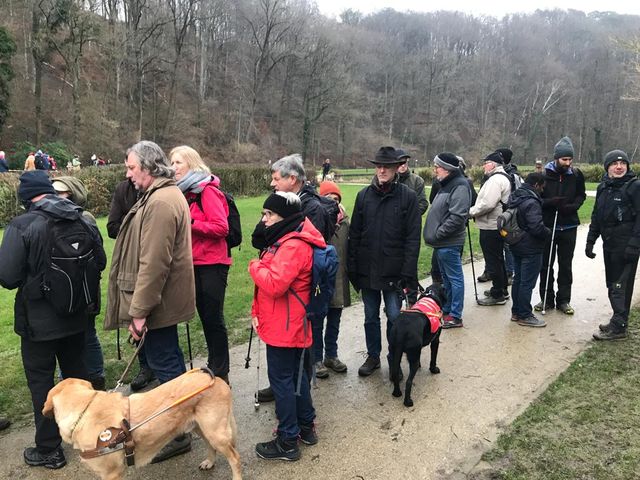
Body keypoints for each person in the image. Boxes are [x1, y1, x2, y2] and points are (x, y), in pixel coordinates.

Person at [0, 170, 106, 470]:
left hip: (39, 322)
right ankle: (92, 433)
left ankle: (49, 449)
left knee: (41, 383)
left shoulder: (23, 224)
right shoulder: (80, 217)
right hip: (77, 316)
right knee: (78, 375)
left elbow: (6, 276)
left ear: (25, 197)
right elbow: (100, 261)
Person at [104, 140, 195, 462]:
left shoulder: (160, 202)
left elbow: (155, 263)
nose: (127, 174)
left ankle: (179, 432)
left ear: (148, 166)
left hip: (159, 304)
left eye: (131, 167)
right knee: (167, 361)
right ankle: (179, 426)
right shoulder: (161, 195)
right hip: (162, 301)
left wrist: (139, 312)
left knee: (166, 365)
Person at [250, 191, 324, 461]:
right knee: (296, 377)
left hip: (285, 325)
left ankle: (288, 440)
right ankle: (306, 427)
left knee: (282, 381)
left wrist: (254, 266)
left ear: (284, 216)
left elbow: (275, 284)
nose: (264, 219)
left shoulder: (292, 245)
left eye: (269, 214)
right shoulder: (289, 239)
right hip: (289, 322)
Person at [256, 153, 337, 402]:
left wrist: (261, 265)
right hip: (285, 295)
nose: (272, 183)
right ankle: (287, 391)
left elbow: (304, 256)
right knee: (285, 362)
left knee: (296, 356)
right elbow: (259, 238)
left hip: (299, 297)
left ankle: (295, 403)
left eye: (276, 178)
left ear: (293, 179)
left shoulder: (310, 207)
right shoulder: (280, 203)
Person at [348, 146, 421, 377]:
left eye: (386, 166)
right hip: (368, 270)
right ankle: (373, 355)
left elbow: (412, 239)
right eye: (378, 166)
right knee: (370, 316)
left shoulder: (408, 197)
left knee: (394, 316)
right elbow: (355, 236)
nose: (381, 170)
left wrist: (407, 273)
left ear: (396, 168)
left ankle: (394, 356)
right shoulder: (364, 196)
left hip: (394, 271)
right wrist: (354, 269)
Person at [170, 145, 232, 382]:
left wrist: (191, 221)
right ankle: (215, 364)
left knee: (213, 317)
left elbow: (221, 227)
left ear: (191, 164)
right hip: (193, 262)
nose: (173, 167)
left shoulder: (207, 191)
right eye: (172, 163)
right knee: (205, 316)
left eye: (178, 163)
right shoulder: (183, 192)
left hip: (213, 263)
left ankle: (221, 370)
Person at [52, 176, 106, 390]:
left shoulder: (85, 219)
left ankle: (95, 375)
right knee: (66, 336)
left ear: (72, 194)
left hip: (85, 286)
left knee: (88, 333)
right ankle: (69, 378)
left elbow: (98, 256)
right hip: (63, 289)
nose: (56, 197)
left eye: (61, 192)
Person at [106, 177, 155, 391]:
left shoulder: (157, 191)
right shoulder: (123, 189)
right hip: (129, 258)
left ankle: (159, 367)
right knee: (134, 312)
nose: (129, 173)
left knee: (153, 311)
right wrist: (133, 227)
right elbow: (111, 226)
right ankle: (145, 365)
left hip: (149, 254)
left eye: (132, 167)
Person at [587, 150, 640, 340]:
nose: (619, 167)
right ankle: (618, 319)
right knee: (611, 284)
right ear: (607, 167)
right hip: (609, 244)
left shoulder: (634, 187)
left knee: (620, 286)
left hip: (626, 246)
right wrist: (590, 241)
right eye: (614, 164)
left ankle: (619, 328)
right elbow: (596, 216)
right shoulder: (604, 187)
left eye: (623, 164)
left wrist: (634, 245)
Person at [535, 136, 586, 314]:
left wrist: (572, 207)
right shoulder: (544, 175)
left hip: (569, 225)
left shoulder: (576, 175)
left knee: (566, 265)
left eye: (570, 159)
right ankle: (546, 299)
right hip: (548, 226)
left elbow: (581, 196)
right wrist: (550, 202)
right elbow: (536, 199)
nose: (568, 163)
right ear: (556, 158)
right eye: (564, 159)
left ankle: (564, 300)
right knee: (546, 264)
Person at [424, 153, 472, 328]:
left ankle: (455, 315)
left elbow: (457, 217)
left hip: (449, 243)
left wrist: (438, 233)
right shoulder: (447, 184)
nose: (434, 169)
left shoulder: (459, 185)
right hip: (442, 243)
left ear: (447, 169)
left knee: (455, 278)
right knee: (447, 278)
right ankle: (447, 308)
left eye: (437, 167)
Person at [314, 181, 351, 378]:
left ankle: (331, 355)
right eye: (328, 199)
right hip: (320, 279)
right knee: (317, 321)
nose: (333, 203)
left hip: (339, 278)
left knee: (335, 320)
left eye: (336, 199)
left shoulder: (344, 221)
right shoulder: (315, 220)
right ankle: (316, 359)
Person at [508, 173, 550, 327]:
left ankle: (516, 311)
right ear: (537, 185)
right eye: (542, 186)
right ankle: (525, 315)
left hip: (516, 243)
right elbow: (536, 227)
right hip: (531, 247)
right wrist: (548, 232)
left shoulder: (515, 196)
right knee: (527, 283)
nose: (543, 189)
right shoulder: (532, 202)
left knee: (518, 279)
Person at [469, 151, 512, 306]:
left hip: (491, 225)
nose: (483, 166)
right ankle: (502, 289)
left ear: (493, 164)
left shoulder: (495, 180)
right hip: (497, 224)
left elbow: (487, 204)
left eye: (485, 162)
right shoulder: (502, 177)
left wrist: (470, 212)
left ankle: (497, 294)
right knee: (498, 259)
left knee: (493, 260)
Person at [396, 148, 428, 215]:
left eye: (405, 162)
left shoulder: (417, 180)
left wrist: (410, 217)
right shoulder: (388, 180)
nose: (403, 165)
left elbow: (423, 204)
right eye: (400, 162)